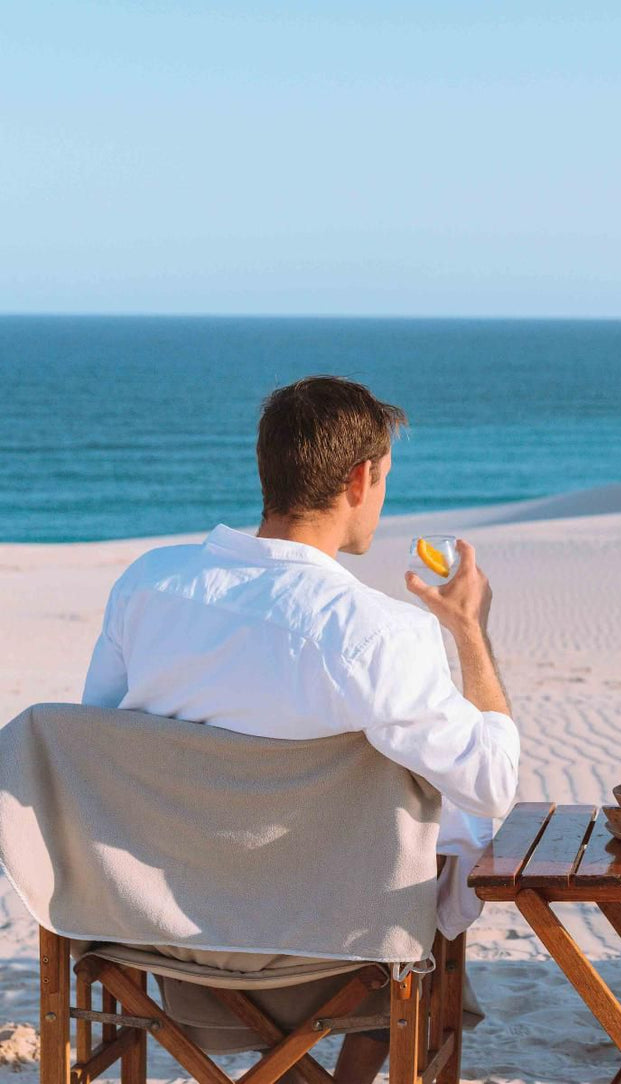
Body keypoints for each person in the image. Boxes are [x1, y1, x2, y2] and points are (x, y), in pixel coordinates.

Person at [82, 375, 519, 1084]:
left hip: (159, 948)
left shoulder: (147, 587)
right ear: (359, 477)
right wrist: (469, 633)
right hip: (339, 960)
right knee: (444, 862)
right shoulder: (376, 633)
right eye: (383, 481)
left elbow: (97, 742)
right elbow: (492, 782)